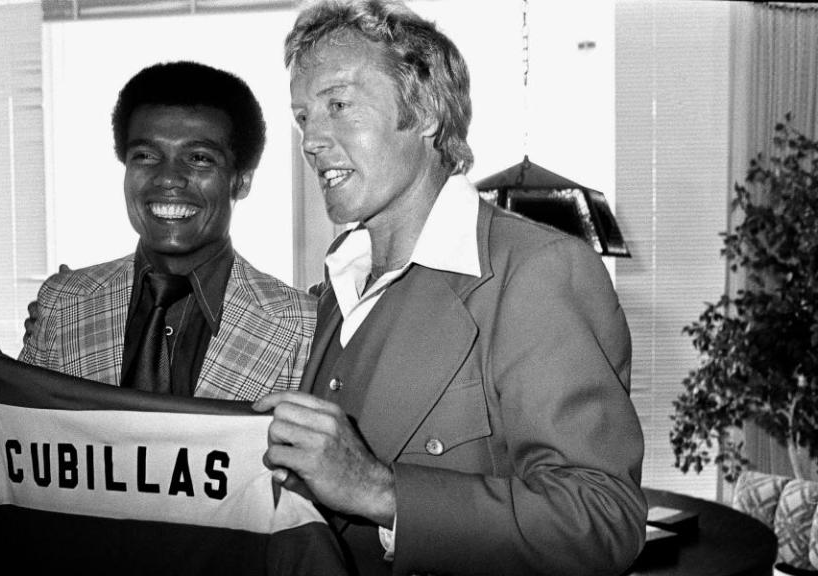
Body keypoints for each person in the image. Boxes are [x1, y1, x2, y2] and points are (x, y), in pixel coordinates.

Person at [252, 2, 647, 575]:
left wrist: (383, 492)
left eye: (338, 105)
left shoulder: (537, 271)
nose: (312, 140)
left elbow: (603, 518)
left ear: (426, 112)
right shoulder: (331, 293)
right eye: (304, 117)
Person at [0, 61, 316, 416]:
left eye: (199, 158)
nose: (168, 178)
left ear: (241, 180)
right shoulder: (63, 302)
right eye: (146, 156)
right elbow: (29, 452)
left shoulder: (302, 325)